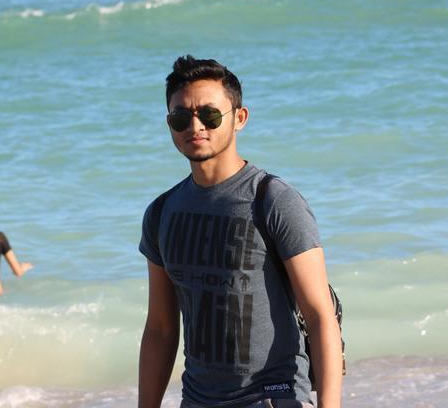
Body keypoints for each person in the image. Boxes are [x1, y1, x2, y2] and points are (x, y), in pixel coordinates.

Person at [138, 56, 343, 408]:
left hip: (272, 397)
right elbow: (160, 329)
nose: (195, 126)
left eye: (210, 115)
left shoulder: (273, 200)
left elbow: (320, 316)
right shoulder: (161, 212)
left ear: (240, 118)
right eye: (181, 117)